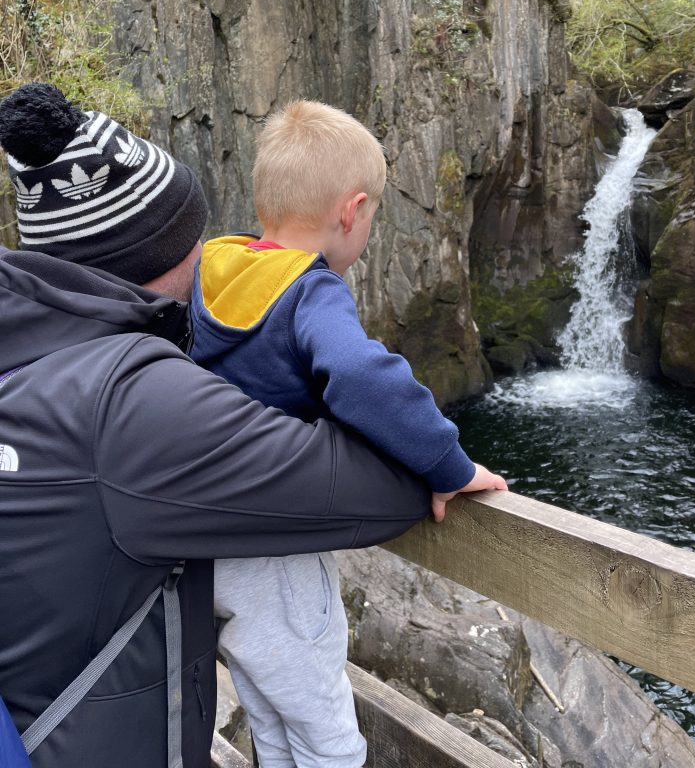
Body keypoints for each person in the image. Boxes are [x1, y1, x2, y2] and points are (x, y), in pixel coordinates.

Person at [0, 82, 434, 768]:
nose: (208, 252)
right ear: (156, 258)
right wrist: (448, 464)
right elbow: (385, 487)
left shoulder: (30, 357)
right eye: (192, 235)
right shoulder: (132, 405)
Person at [190, 100, 508, 768]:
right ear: (351, 210)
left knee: (269, 700)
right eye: (374, 215)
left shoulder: (213, 271)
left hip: (203, 544)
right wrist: (449, 465)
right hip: (271, 547)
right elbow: (363, 376)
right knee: (326, 726)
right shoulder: (309, 292)